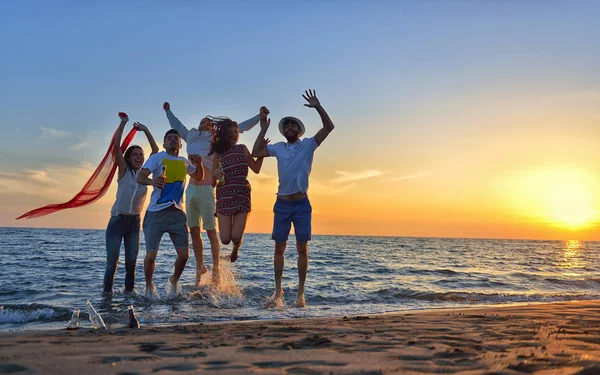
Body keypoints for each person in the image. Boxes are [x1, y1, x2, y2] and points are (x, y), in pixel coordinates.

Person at [163, 103, 268, 285]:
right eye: (203, 120)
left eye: (209, 122)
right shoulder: (190, 135)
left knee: (212, 232)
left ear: (214, 128)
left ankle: (216, 272)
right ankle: (199, 269)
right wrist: (167, 111)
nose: (205, 122)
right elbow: (177, 124)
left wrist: (259, 117)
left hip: (207, 189)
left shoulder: (215, 139)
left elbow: (239, 127)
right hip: (191, 189)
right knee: (194, 231)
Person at [252, 89, 335, 307]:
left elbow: (329, 127)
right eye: (287, 126)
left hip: (301, 204)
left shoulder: (308, 144)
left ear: (299, 130)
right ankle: (278, 292)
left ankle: (300, 294)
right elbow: (256, 152)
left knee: (301, 247)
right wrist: (263, 129)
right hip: (281, 203)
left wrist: (317, 106)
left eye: (293, 125)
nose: (290, 128)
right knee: (279, 247)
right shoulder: (278, 148)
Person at [136, 129, 204, 298]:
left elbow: (200, 176)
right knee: (151, 256)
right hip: (155, 213)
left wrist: (200, 163)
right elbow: (140, 177)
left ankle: (174, 280)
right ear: (164, 143)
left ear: (180, 145)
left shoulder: (184, 161)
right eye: (169, 138)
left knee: (184, 256)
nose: (173, 140)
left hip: (177, 214)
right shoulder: (157, 157)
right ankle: (149, 286)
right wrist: (153, 181)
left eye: (176, 138)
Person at [104, 112, 159, 296]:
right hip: (117, 221)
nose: (139, 157)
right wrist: (123, 124)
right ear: (129, 158)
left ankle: (129, 296)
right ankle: (106, 296)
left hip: (134, 223)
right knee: (112, 262)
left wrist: (146, 130)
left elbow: (155, 152)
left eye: (140, 155)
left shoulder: (145, 175)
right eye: (135, 154)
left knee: (131, 264)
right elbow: (117, 148)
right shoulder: (124, 171)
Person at [209, 118, 268, 263]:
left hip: (242, 193)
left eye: (236, 132)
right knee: (224, 239)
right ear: (223, 135)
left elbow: (256, 169)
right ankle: (231, 239)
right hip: (224, 196)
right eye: (230, 133)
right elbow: (211, 184)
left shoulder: (242, 148)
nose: (234, 135)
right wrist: (215, 175)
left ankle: (236, 248)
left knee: (235, 237)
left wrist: (262, 153)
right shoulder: (218, 155)